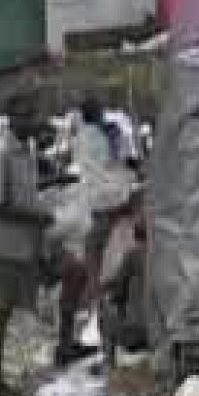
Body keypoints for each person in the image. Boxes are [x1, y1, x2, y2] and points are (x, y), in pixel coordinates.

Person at [0, 100, 49, 396]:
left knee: (6, 310)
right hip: (6, 244)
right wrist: (35, 217)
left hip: (24, 243)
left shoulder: (25, 152)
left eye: (33, 114)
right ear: (12, 119)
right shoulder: (1, 154)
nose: (32, 121)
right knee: (0, 310)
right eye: (26, 115)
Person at [74, 97, 135, 321]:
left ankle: (94, 300)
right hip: (107, 202)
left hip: (96, 203)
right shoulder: (103, 136)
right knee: (102, 260)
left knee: (95, 259)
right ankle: (99, 303)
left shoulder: (84, 137)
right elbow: (115, 166)